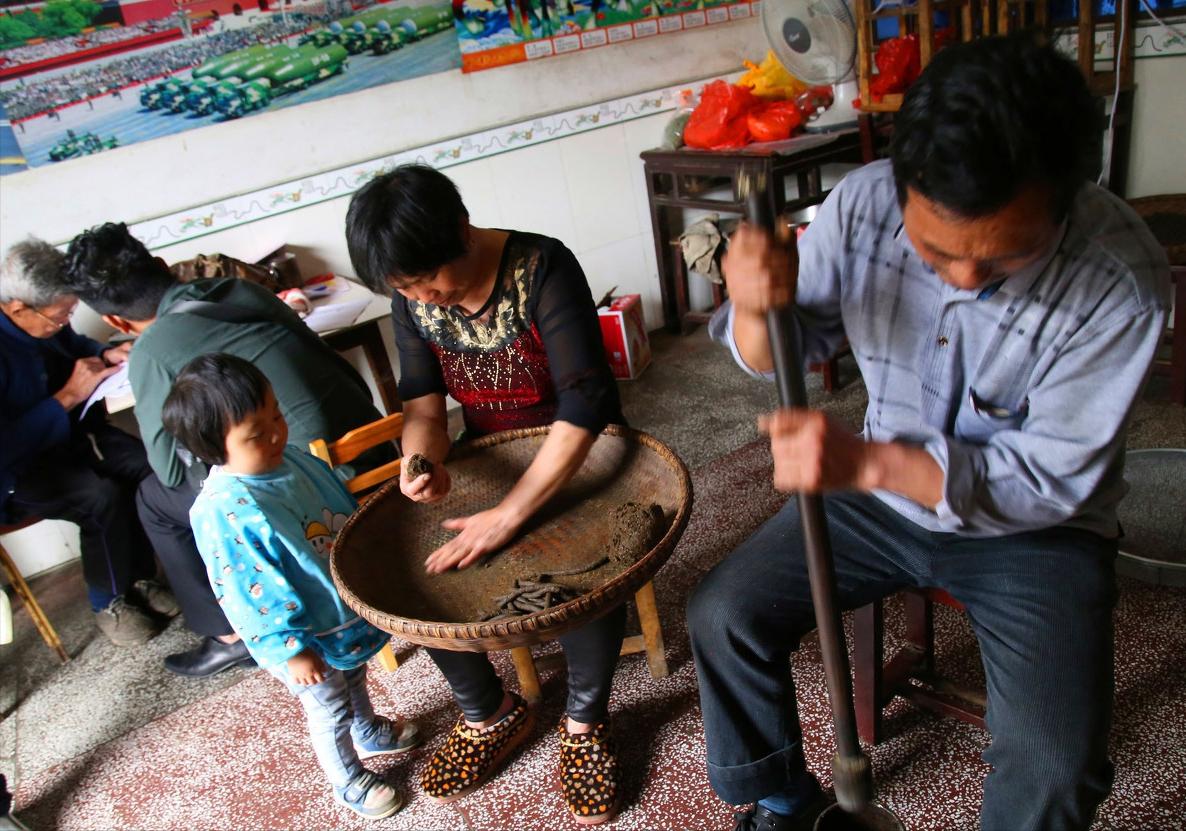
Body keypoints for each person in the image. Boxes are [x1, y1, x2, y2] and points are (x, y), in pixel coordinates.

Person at [686, 34, 1170, 831]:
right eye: (937, 251)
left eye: (1006, 258)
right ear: (902, 184)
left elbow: (1045, 481)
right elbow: (788, 346)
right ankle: (779, 800)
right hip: (876, 498)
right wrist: (752, 301)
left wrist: (869, 461)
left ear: (1071, 197)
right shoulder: (866, 205)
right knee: (723, 612)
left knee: (1058, 766)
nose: (965, 279)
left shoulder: (1120, 281)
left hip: (1036, 532)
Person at [345, 164, 626, 825]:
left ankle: (584, 722)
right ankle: (489, 710)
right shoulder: (414, 298)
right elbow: (422, 404)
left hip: (580, 446)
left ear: (461, 232)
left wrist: (513, 512)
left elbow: (588, 399)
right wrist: (422, 461)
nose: (422, 298)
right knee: (411, 569)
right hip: (488, 452)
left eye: (426, 281)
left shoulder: (543, 265)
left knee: (589, 562)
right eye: (405, 289)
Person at [65, 223, 390, 678]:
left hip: (309, 478)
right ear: (162, 266)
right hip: (376, 441)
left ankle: (229, 635)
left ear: (117, 323)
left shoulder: (151, 352)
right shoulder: (237, 289)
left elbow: (169, 470)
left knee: (155, 500)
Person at [160, 353, 422, 819]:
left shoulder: (291, 459)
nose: (278, 434)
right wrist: (289, 648)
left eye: (276, 416)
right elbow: (243, 592)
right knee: (328, 706)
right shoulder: (226, 509)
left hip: (336, 612)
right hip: (299, 635)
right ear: (213, 448)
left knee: (355, 674)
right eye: (256, 435)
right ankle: (348, 780)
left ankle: (368, 729)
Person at [1, 238, 178, 646]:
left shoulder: (41, 323)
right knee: (98, 496)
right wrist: (69, 396)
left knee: (150, 466)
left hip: (70, 438)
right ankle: (110, 603)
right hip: (15, 470)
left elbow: (75, 346)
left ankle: (140, 580)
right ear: (17, 309)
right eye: (60, 315)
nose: (66, 321)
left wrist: (107, 353)